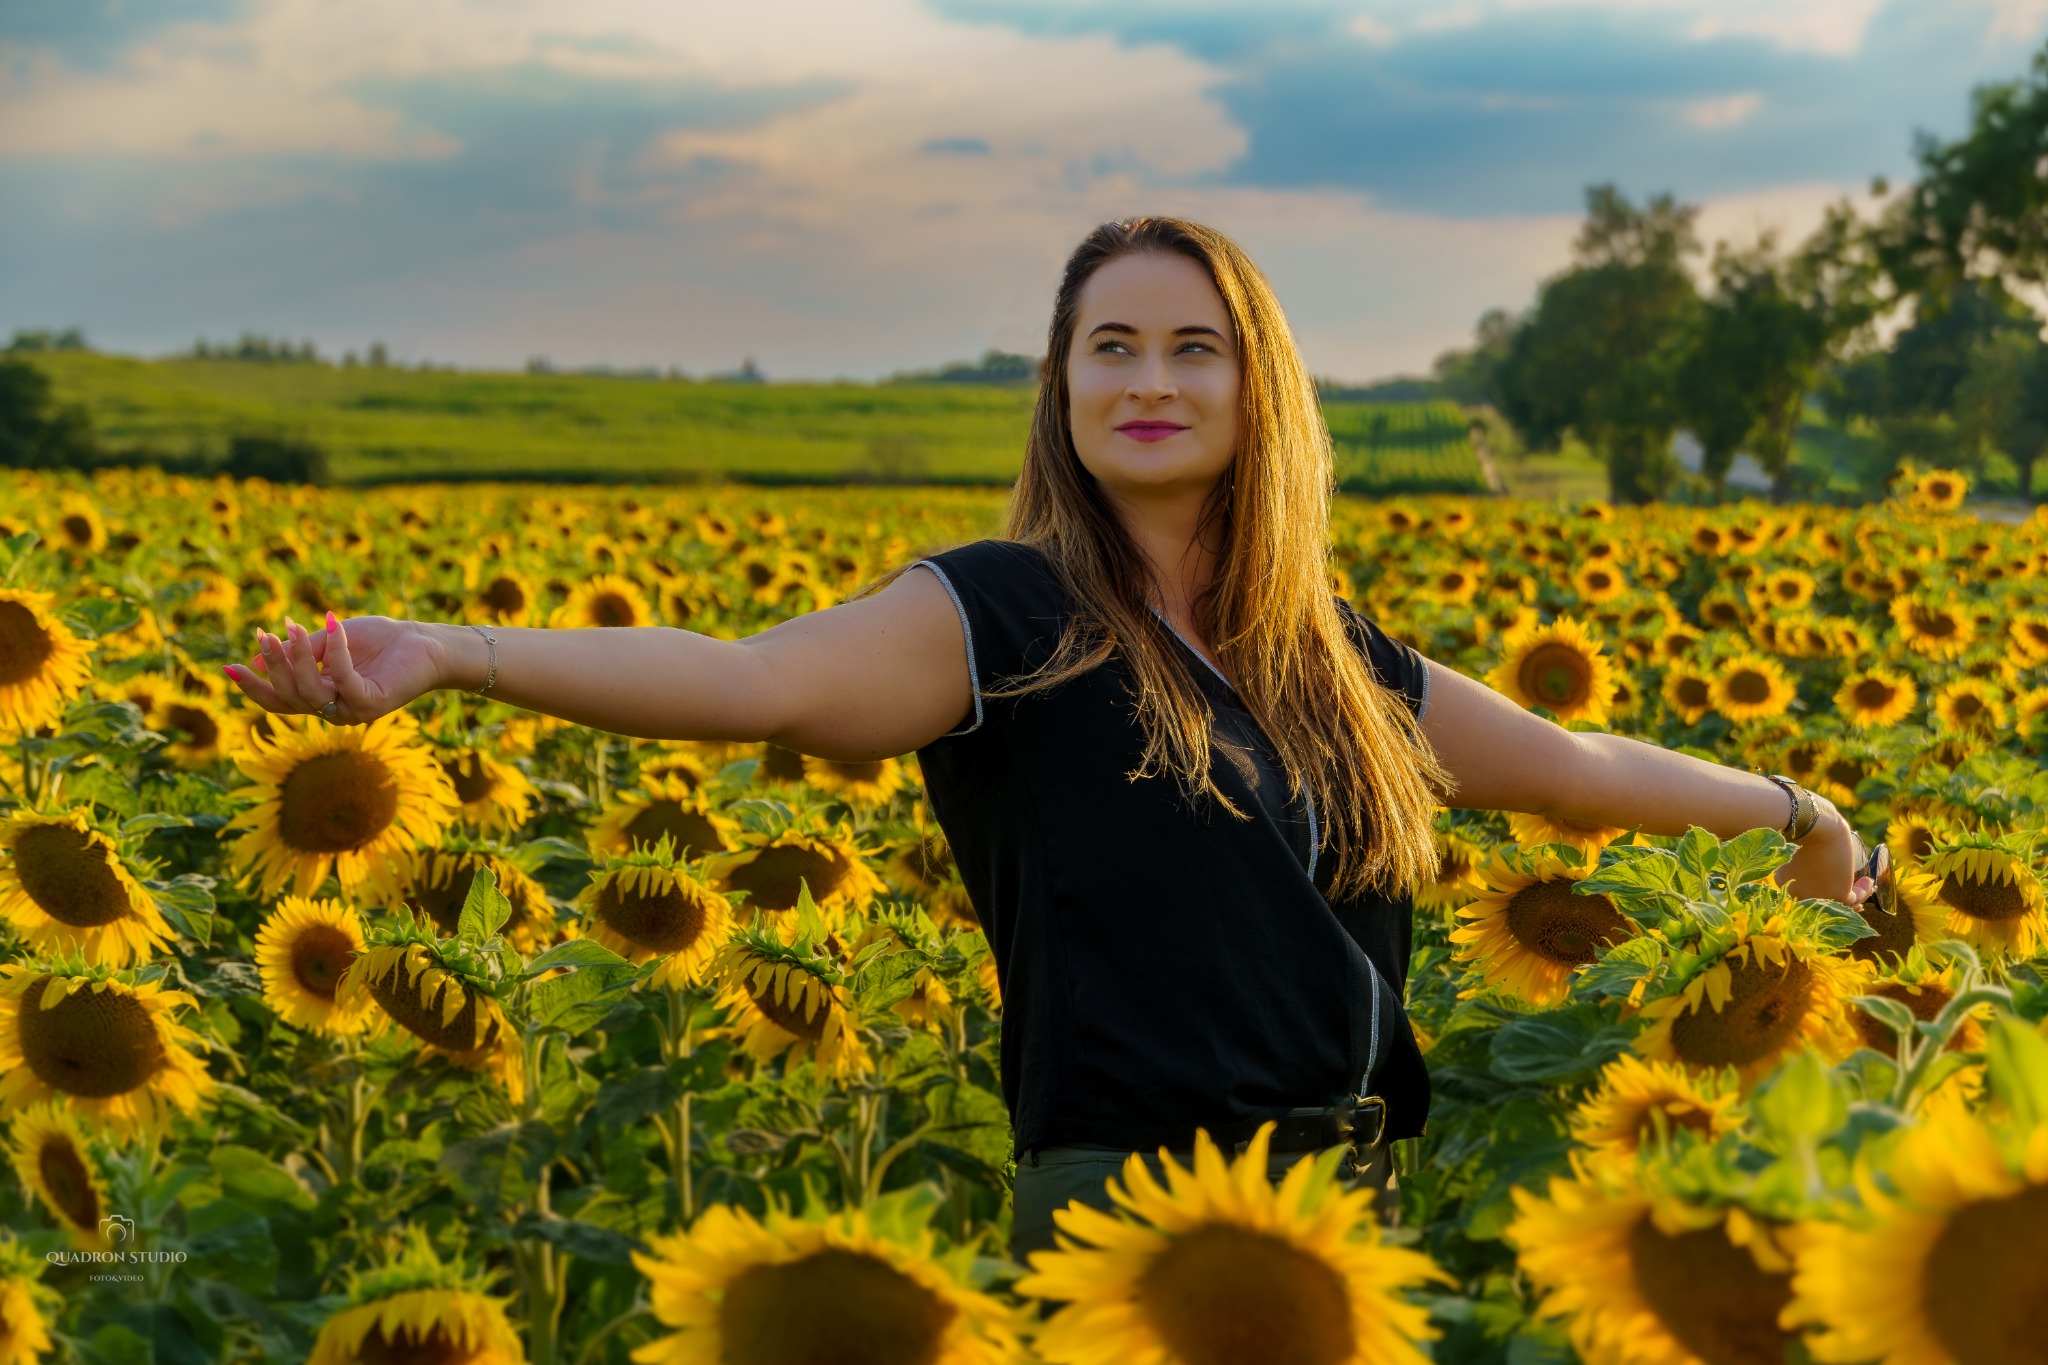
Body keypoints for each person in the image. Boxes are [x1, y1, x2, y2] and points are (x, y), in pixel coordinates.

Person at [224, 215, 1880, 1263]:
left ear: (1258, 393)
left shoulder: (1327, 659)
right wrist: (454, 656)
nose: (1147, 378)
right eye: (1111, 347)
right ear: (1064, 391)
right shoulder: (1008, 616)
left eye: (1191, 346)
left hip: (1343, 1211)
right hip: (1126, 1212)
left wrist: (1796, 807)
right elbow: (752, 682)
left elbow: (1574, 777)